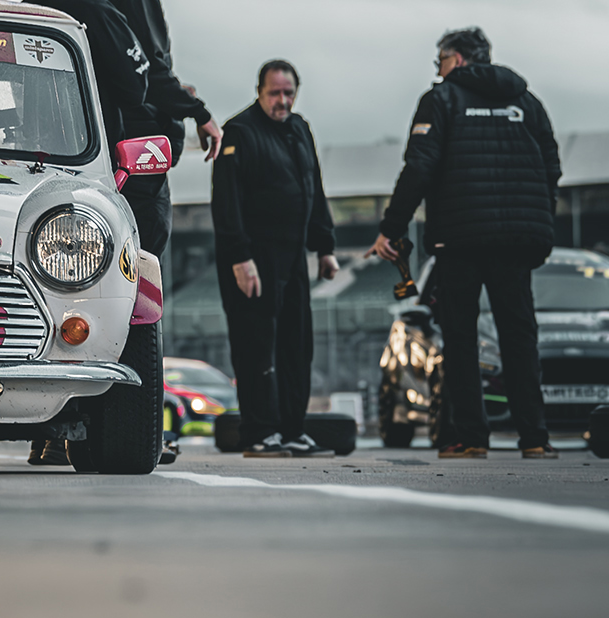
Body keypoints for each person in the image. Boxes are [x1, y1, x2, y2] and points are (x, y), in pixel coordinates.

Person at [368, 28, 560, 459]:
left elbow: (419, 167)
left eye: (440, 61)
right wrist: (540, 223)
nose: (438, 70)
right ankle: (535, 438)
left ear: (455, 60)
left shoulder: (441, 99)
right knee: (519, 336)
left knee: (459, 337)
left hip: (460, 239)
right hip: (515, 240)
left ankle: (471, 437)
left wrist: (392, 228)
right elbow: (552, 167)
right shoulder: (526, 101)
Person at [22, 0, 151, 466]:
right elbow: (139, 81)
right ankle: (80, 425)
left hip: (26, 175)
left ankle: (49, 433)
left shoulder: (24, 11)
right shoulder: (95, 9)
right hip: (85, 174)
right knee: (116, 300)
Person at [212, 61, 339, 457]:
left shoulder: (300, 129)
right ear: (259, 92)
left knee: (296, 348)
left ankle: (292, 430)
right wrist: (240, 257)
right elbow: (226, 201)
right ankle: (259, 432)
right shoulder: (239, 132)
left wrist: (325, 246)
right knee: (256, 348)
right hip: (253, 259)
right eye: (274, 93)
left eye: (288, 93)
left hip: (293, 257)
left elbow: (314, 188)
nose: (282, 101)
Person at [95, 0, 223, 259]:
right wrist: (199, 112)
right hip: (138, 154)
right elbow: (149, 72)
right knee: (143, 260)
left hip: (114, 147)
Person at [22, 0, 150, 155]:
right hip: (86, 158)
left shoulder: (28, 9)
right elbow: (135, 90)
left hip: (29, 154)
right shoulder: (98, 11)